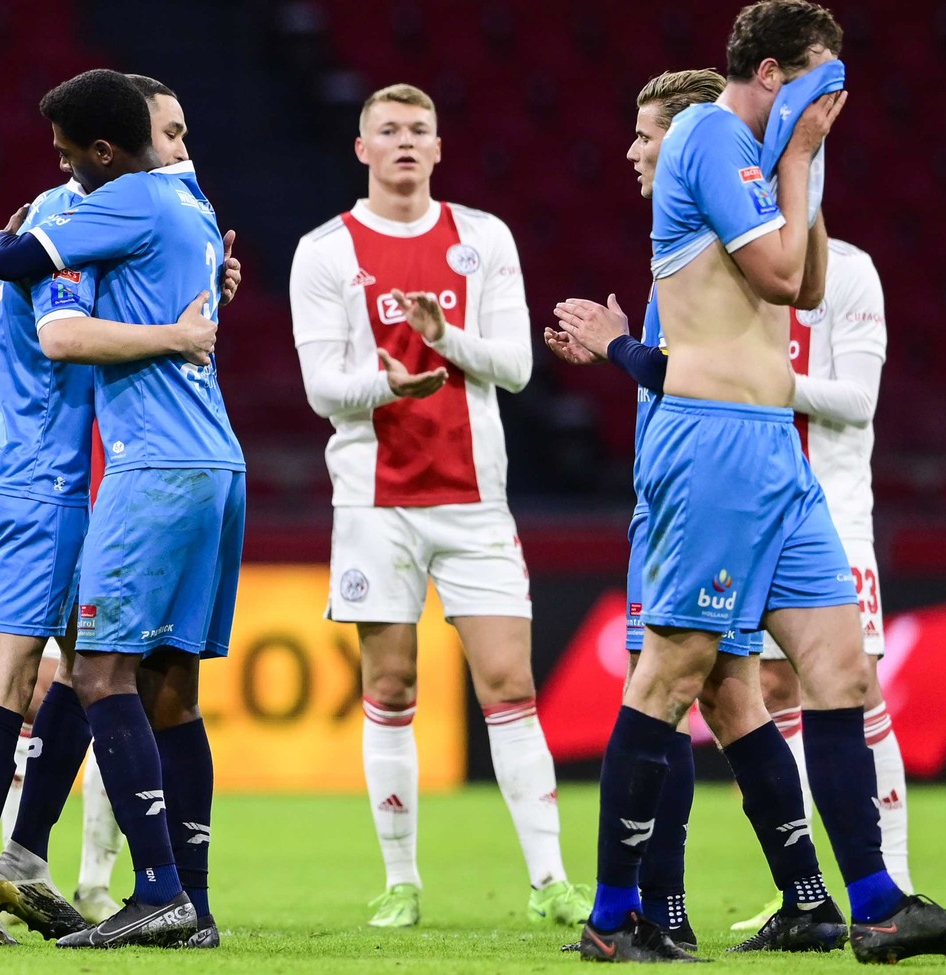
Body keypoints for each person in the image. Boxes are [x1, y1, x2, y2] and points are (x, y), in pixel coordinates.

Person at [577, 1, 946, 963]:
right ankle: (613, 917)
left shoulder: (764, 158)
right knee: (673, 676)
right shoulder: (704, 133)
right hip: (716, 445)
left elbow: (808, 287)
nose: (837, 96)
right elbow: (775, 275)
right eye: (824, 76)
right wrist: (798, 154)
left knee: (842, 667)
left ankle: (878, 905)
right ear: (771, 73)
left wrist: (803, 158)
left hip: (777, 451)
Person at [0, 73, 234, 948]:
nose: (181, 156)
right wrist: (178, 330)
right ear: (122, 144)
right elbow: (59, 331)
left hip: (45, 466)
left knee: (84, 666)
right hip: (36, 472)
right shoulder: (74, 221)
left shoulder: (97, 215)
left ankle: (21, 859)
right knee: (13, 675)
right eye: (169, 137)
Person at [289, 83, 590, 930]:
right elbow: (321, 389)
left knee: (509, 683)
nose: (405, 142)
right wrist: (385, 383)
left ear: (438, 146)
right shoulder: (326, 250)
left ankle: (550, 880)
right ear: (362, 149)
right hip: (375, 504)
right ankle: (401, 880)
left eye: (419, 130)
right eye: (388, 130)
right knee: (389, 684)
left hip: (474, 502)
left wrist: (444, 340)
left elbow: (520, 366)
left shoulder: (482, 237)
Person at [546, 68, 737, 953]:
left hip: (697, 498)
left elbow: (690, 374)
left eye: (647, 133)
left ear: (689, 141)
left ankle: (637, 909)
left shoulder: (707, 245)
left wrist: (616, 345)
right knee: (688, 703)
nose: (630, 149)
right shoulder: (687, 245)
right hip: (677, 494)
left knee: (663, 701)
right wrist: (627, 346)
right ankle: (664, 908)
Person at [728, 238, 910, 932]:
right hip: (751, 510)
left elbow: (859, 401)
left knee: (856, 682)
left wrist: (765, 380)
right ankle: (802, 888)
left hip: (832, 509)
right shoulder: (726, 263)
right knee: (772, 690)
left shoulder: (852, 269)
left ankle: (893, 877)